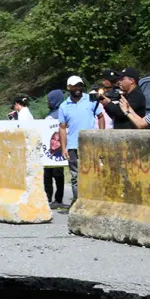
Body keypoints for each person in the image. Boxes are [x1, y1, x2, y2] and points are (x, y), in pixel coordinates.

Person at [58, 76, 104, 206]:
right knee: (75, 176)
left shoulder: (91, 100)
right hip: (73, 145)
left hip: (91, 144)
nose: (77, 88)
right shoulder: (64, 106)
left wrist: (101, 135)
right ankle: (78, 202)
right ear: (69, 88)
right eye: (74, 86)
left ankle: (93, 202)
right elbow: (62, 128)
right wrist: (63, 148)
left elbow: (100, 117)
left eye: (79, 85)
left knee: (93, 174)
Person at [42, 90, 67, 206]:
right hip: (49, 149)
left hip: (59, 149)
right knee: (47, 175)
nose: (47, 102)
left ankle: (58, 199)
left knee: (57, 174)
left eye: (49, 100)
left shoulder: (62, 113)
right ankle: (48, 198)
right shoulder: (50, 113)